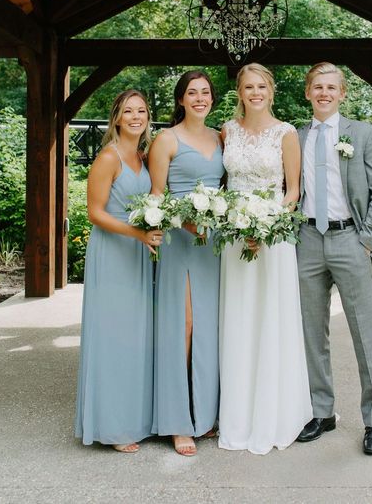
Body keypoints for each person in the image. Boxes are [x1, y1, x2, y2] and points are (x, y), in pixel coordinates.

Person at [296, 62, 372, 455]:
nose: (323, 93)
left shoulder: (364, 134)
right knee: (311, 332)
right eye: (317, 87)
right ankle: (323, 412)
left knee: (364, 332)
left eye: (331, 87)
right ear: (308, 93)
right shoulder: (296, 135)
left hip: (350, 239)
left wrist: (367, 241)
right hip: (306, 239)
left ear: (342, 93)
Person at [218, 63, 313, 455]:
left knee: (271, 317)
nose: (255, 92)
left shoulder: (286, 133)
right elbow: (223, 183)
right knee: (239, 318)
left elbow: (293, 191)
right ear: (239, 92)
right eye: (248, 87)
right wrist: (236, 222)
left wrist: (264, 224)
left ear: (270, 91)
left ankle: (275, 413)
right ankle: (237, 414)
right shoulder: (227, 129)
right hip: (232, 236)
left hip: (271, 237)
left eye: (261, 86)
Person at [75, 89, 163, 453]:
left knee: (136, 336)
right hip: (114, 253)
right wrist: (138, 233)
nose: (136, 117)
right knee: (113, 336)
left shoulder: (143, 156)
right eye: (128, 111)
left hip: (139, 254)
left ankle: (135, 418)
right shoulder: (109, 157)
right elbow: (95, 212)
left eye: (141, 110)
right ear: (116, 118)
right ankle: (111, 426)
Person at [148, 70, 223, 457]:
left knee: (210, 328)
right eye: (192, 93)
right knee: (186, 325)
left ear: (212, 98)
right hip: (181, 242)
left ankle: (205, 415)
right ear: (181, 99)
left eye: (205, 92)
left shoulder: (220, 137)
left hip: (214, 246)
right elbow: (156, 197)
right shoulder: (166, 139)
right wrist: (186, 221)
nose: (199, 98)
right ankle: (178, 421)